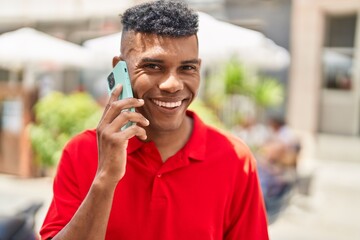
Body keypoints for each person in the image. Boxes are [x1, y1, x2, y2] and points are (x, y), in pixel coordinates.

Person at [40, 1, 269, 239]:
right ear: (121, 69)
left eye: (187, 68)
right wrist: (105, 179)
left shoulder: (234, 158)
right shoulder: (83, 152)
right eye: (153, 66)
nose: (172, 84)